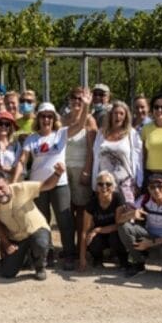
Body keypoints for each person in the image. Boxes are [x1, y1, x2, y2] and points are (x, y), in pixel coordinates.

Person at [13, 102, 76, 270]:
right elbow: (22, 160)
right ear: (38, 118)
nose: (46, 119)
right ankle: (47, 252)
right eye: (43, 116)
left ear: (54, 118)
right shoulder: (32, 138)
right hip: (39, 185)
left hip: (59, 183)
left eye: (50, 116)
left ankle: (69, 254)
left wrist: (85, 105)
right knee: (42, 221)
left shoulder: (61, 134)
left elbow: (80, 125)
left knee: (64, 220)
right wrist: (14, 181)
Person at [0, 164, 65, 280]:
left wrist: (58, 173)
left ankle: (40, 267)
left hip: (36, 230)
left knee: (40, 243)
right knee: (7, 273)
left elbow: (47, 185)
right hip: (17, 238)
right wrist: (6, 244)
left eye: (1, 188)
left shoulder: (22, 188)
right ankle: (27, 258)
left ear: (7, 183)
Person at [117, 174, 162, 277]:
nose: (156, 190)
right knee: (124, 227)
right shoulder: (144, 199)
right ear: (148, 189)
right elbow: (119, 221)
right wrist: (131, 214)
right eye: (152, 187)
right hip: (149, 234)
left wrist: (150, 243)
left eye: (160, 186)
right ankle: (139, 262)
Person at [61, 87, 97, 259]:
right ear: (69, 100)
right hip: (64, 171)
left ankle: (81, 247)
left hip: (81, 168)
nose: (77, 101)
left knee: (82, 211)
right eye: (74, 98)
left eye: (80, 99)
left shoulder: (89, 120)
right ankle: (69, 247)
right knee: (67, 211)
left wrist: (87, 170)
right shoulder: (63, 119)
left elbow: (92, 149)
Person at [86, 100, 141, 205]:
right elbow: (95, 156)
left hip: (125, 183)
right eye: (115, 113)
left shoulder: (132, 134)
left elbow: (138, 159)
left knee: (126, 211)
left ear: (126, 116)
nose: (118, 116)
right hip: (104, 184)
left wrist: (138, 182)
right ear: (110, 115)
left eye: (121, 114)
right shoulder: (101, 133)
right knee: (106, 212)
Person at [79, 171, 128, 272]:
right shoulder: (92, 203)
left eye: (108, 184)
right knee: (92, 238)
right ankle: (97, 259)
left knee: (116, 236)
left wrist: (98, 230)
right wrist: (82, 258)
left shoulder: (118, 199)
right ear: (97, 187)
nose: (104, 187)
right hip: (100, 236)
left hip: (114, 232)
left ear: (113, 187)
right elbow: (84, 231)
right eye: (100, 184)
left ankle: (123, 260)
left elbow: (118, 224)